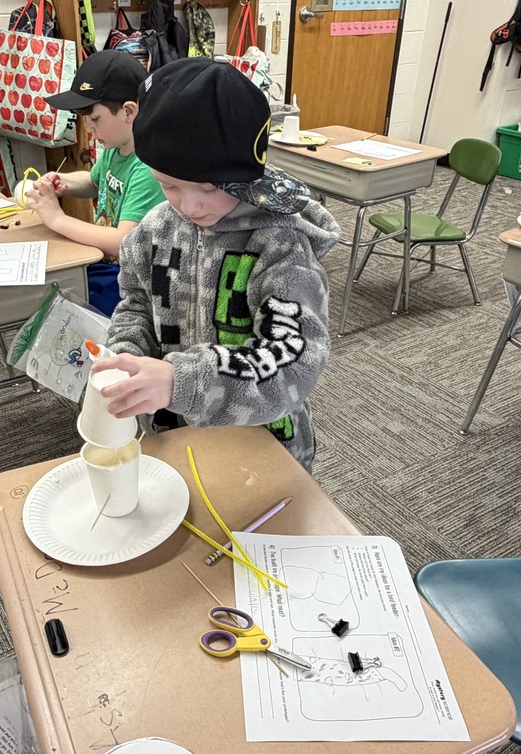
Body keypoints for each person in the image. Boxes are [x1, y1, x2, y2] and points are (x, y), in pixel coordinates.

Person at [90, 58, 339, 471]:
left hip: (264, 449)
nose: (190, 205)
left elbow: (294, 362)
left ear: (245, 178)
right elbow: (136, 306)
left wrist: (180, 381)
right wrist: (124, 356)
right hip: (173, 437)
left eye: (209, 188)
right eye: (168, 185)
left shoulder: (280, 245)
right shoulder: (154, 230)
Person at [25, 50, 166, 316]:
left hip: (131, 279)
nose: (89, 128)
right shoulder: (117, 146)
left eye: (94, 119)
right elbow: (93, 182)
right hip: (105, 262)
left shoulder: (147, 166)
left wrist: (57, 219)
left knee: (60, 300)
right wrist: (63, 182)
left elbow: (121, 240)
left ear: (128, 111)